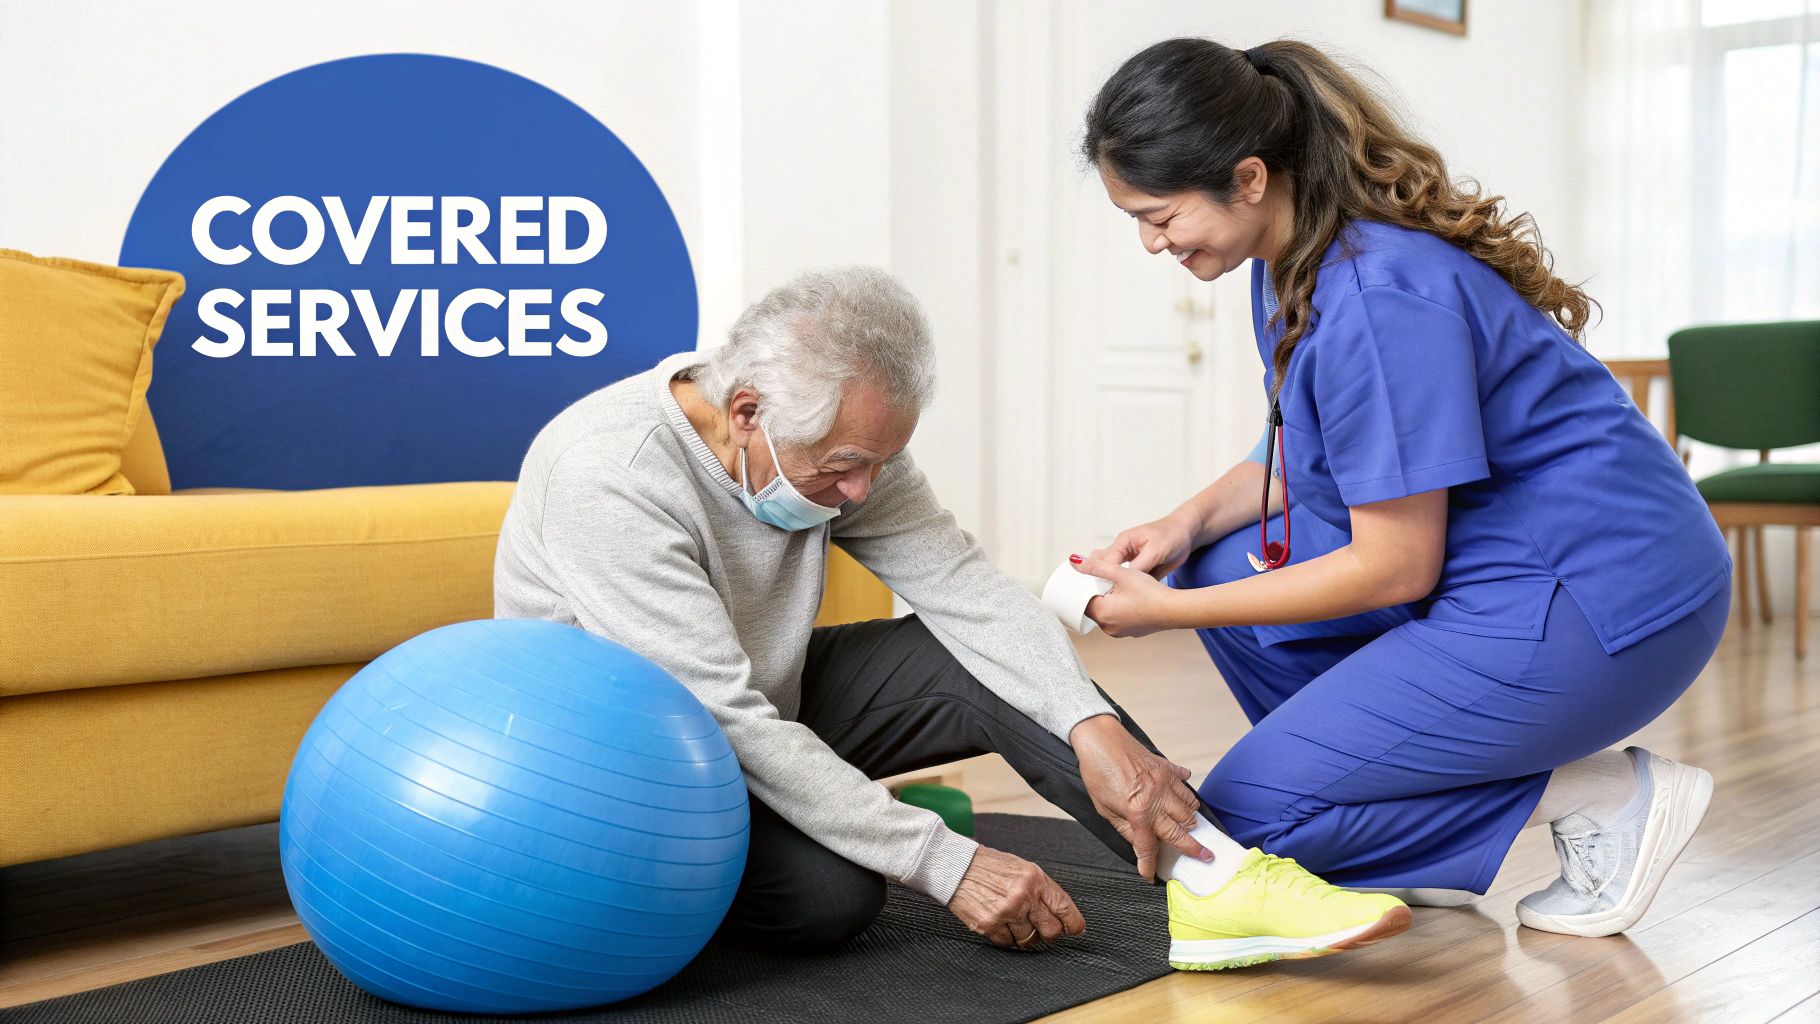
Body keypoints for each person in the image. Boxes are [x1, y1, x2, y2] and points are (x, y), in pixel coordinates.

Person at [494, 266, 1409, 972]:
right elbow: (721, 717)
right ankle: (752, 859)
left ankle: (1215, 877)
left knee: (975, 657)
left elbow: (967, 591)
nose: (862, 491)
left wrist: (1087, 723)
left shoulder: (835, 435)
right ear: (745, 412)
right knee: (832, 899)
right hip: (629, 768)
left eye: (878, 463)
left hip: (763, 702)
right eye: (843, 468)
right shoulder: (610, 476)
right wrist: (948, 862)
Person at [1072, 37, 1731, 942]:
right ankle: (1402, 801)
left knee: (1247, 827)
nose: (1152, 243)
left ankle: (1603, 793)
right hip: (1501, 565)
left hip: (1606, 595)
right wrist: (1177, 527)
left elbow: (1394, 565)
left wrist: (1168, 616)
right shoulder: (1287, 262)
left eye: (1160, 216)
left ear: (1249, 178)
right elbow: (1299, 459)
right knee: (1216, 558)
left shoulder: (1375, 295)